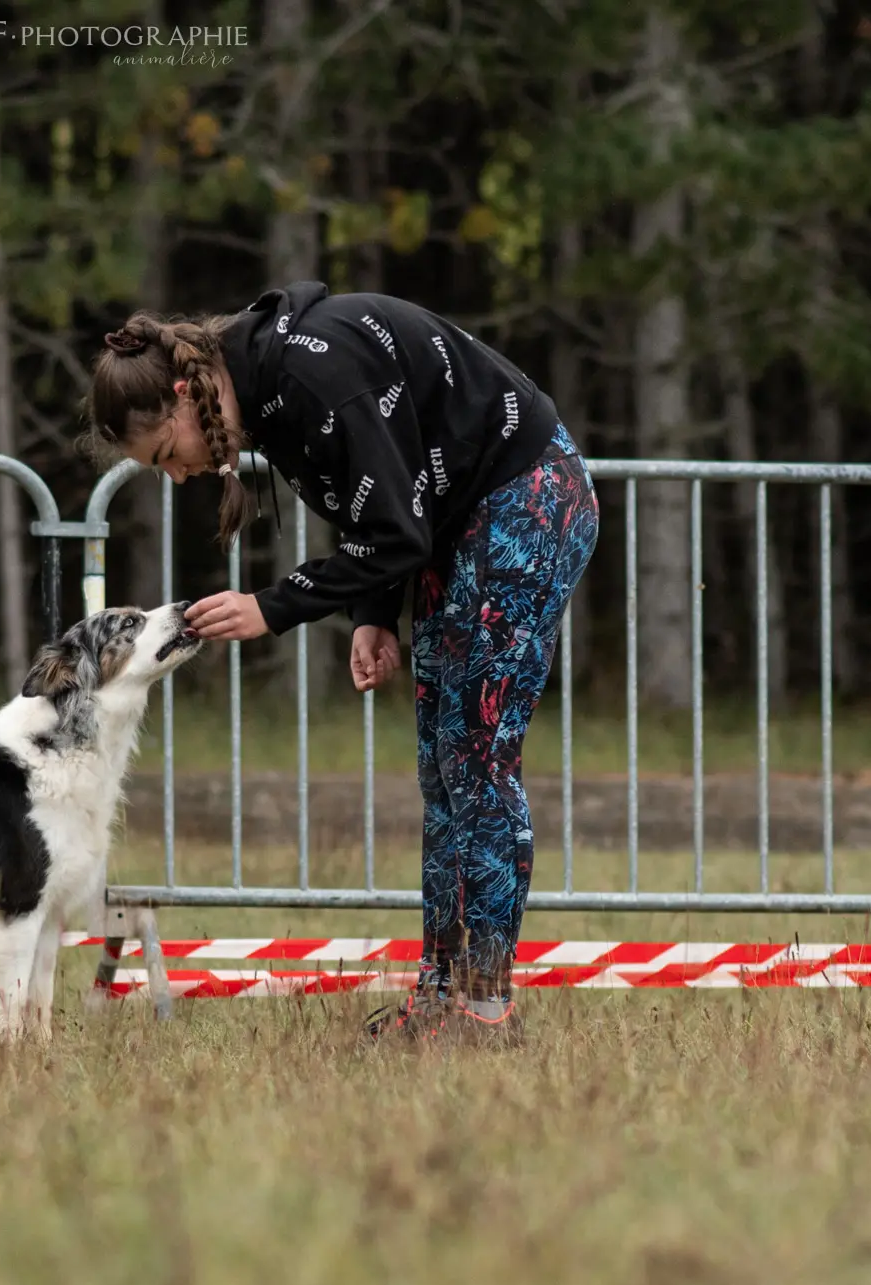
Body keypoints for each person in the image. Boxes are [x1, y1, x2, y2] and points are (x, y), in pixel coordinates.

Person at [81, 281, 599, 1047]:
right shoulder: (266, 391)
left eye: (166, 455)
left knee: (478, 767)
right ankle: (441, 999)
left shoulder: (310, 375)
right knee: (443, 771)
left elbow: (396, 525)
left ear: (186, 395)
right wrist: (371, 615)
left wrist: (275, 605)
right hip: (460, 521)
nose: (178, 475)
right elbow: (384, 501)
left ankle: (486, 1010)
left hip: (522, 498)